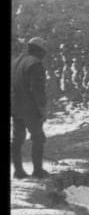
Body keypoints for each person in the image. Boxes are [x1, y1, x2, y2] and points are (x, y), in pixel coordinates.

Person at [11, 36, 49, 179]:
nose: (44, 55)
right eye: (43, 52)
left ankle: (18, 171)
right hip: (30, 109)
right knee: (38, 138)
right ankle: (38, 171)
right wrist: (43, 109)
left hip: (15, 108)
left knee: (17, 139)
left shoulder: (15, 62)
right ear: (39, 50)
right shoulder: (35, 64)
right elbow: (38, 90)